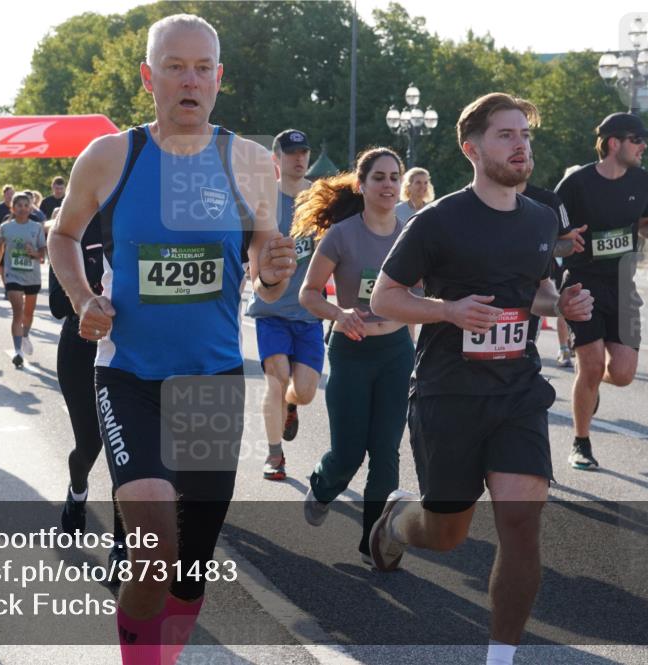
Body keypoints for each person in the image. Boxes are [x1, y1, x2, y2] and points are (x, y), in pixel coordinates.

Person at [48, 14, 295, 663]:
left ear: (219, 78)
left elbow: (265, 277)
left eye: (202, 68)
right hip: (129, 375)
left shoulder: (248, 161)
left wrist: (273, 272)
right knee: (153, 546)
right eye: (175, 66)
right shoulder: (111, 156)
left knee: (189, 568)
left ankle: (164, 650)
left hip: (211, 380)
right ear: (147, 76)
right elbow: (63, 235)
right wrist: (84, 298)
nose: (190, 80)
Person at [368, 93, 594, 665]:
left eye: (525, 135)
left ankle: (500, 656)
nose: (521, 146)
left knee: (521, 522)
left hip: (518, 390)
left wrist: (562, 304)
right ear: (472, 149)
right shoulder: (438, 221)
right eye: (506, 135)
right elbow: (385, 298)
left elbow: (536, 291)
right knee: (446, 534)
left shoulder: (540, 219)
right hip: (448, 393)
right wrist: (447, 310)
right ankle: (397, 521)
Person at [296, 147, 415, 567]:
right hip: (351, 351)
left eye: (394, 177)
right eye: (379, 177)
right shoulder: (342, 235)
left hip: (396, 352)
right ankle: (323, 485)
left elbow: (419, 296)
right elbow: (308, 294)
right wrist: (338, 314)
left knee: (386, 451)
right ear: (361, 185)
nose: (388, 184)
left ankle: (373, 542)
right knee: (348, 453)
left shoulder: (411, 234)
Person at [555, 112, 648, 471]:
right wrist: (566, 243)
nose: (643, 147)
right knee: (592, 363)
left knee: (623, 374)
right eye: (637, 140)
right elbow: (551, 237)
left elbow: (646, 225)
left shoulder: (642, 180)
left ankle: (589, 384)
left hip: (623, 285)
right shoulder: (575, 185)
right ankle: (581, 442)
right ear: (614, 143)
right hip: (582, 283)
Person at [48, 215, 127, 575]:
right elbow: (56, 304)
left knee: (124, 451)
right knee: (89, 446)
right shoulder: (71, 229)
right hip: (80, 348)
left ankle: (122, 545)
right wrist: (93, 296)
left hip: (128, 350)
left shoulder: (134, 219)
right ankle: (77, 491)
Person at [245, 128, 321, 481]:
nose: (299, 158)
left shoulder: (319, 200)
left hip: (308, 310)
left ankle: (292, 406)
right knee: (275, 380)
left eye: (303, 152)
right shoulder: (264, 200)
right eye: (291, 153)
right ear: (276, 159)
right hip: (270, 310)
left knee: (304, 392)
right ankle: (275, 455)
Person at [518, 161, 586, 367]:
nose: (522, 159)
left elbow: (567, 243)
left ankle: (564, 348)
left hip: (538, 284)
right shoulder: (466, 204)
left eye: (528, 156)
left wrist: (547, 247)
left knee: (521, 360)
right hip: (482, 298)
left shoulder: (548, 201)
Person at [0, 193, 46, 367]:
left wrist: (34, 253)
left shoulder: (36, 227)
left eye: (26, 205)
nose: (23, 208)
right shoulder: (6, 227)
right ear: (13, 208)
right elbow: (0, 249)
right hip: (13, 275)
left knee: (28, 314)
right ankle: (17, 351)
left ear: (30, 208)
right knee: (18, 311)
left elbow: (42, 252)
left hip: (32, 275)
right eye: (19, 205)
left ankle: (25, 335)